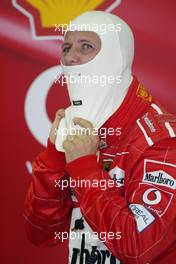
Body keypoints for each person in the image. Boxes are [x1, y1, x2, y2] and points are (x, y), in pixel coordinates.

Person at [23, 11, 176, 264]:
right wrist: (52, 160)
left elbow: (137, 246)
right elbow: (41, 233)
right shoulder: (73, 125)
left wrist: (84, 170)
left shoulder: (163, 140)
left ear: (116, 57)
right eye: (66, 47)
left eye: (86, 46)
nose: (71, 57)